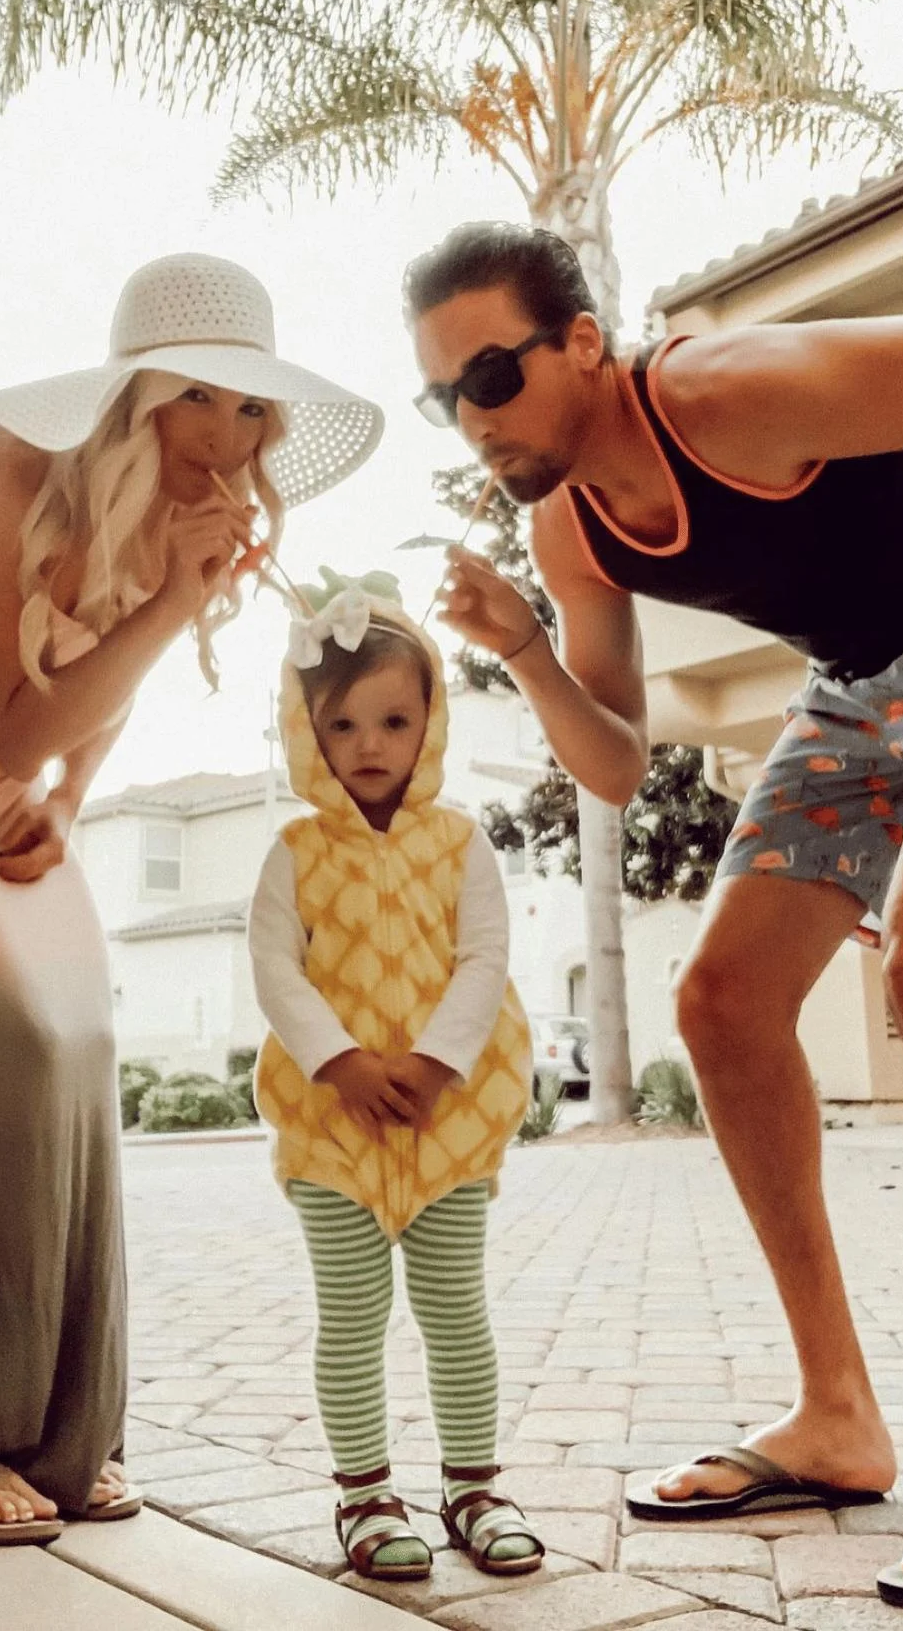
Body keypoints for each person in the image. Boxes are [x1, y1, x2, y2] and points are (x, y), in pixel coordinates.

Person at [403, 219, 903, 1610]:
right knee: (721, 1004)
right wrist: (529, 649)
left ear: (585, 344)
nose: (470, 418)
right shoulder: (567, 529)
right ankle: (836, 1414)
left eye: (491, 376)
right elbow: (613, 760)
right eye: (445, 397)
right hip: (858, 692)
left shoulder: (728, 391)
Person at [0, 252, 382, 1545]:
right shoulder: (0, 468)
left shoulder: (185, 517)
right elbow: (12, 725)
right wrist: (174, 600)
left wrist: (71, 802)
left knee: (82, 1035)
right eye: (202, 403)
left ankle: (55, 1439)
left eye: (251, 415)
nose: (227, 442)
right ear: (136, 396)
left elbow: (87, 703)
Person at [247, 579, 543, 1582]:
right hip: (334, 1124)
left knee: (456, 1305)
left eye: (394, 719)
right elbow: (277, 967)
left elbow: (484, 958)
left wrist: (429, 1061)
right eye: (343, 723)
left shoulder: (461, 843)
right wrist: (340, 1059)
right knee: (353, 1311)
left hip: (447, 1112)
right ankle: (366, 1496)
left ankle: (474, 1486)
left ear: (430, 722)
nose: (370, 742)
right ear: (307, 730)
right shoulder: (294, 853)